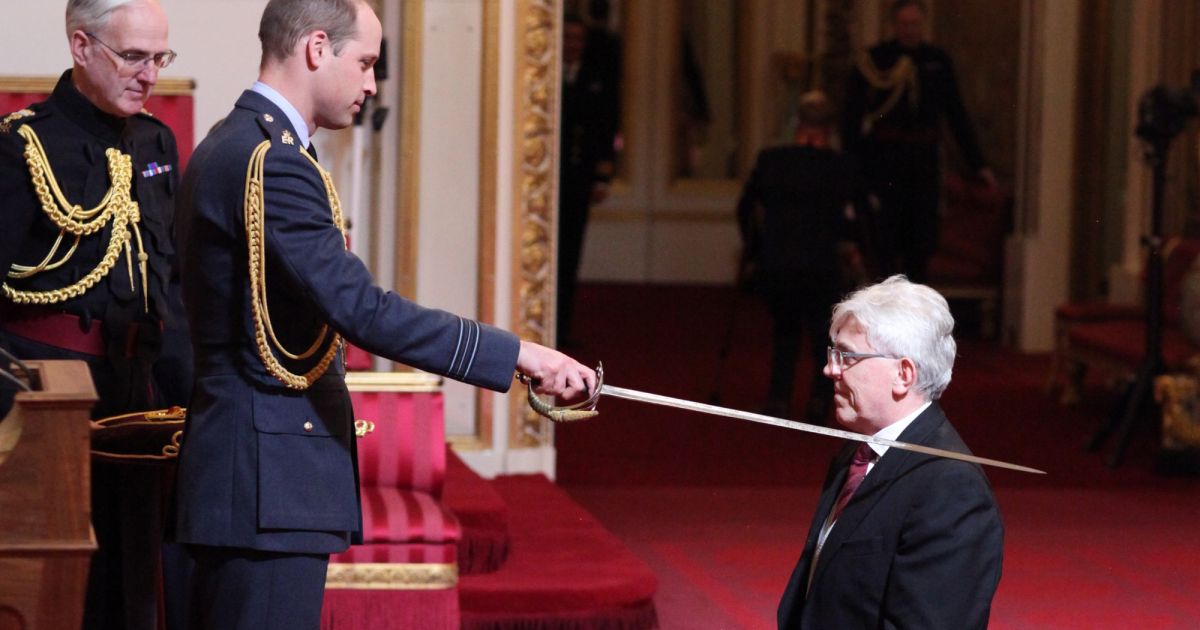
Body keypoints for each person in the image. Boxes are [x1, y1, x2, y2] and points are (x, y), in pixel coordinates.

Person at [171, 1, 596, 627]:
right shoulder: (273, 161)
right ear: (317, 49)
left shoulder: (240, 143)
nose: (372, 84)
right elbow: (362, 311)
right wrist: (521, 355)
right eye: (365, 63)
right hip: (264, 486)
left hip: (250, 477)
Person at [0, 2, 190, 628]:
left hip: (136, 388)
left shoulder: (158, 142)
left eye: (159, 57)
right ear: (81, 47)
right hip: (45, 395)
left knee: (134, 573)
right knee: (58, 576)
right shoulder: (24, 144)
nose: (149, 75)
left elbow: (172, 280)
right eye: (133, 56)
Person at [777, 275, 1003, 629]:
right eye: (833, 353)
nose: (829, 369)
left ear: (903, 374)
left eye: (847, 356)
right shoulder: (859, 449)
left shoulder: (952, 488)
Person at [841, 0, 997, 283]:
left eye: (914, 24)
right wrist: (852, 164)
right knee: (885, 237)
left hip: (923, 162)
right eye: (904, 24)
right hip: (885, 162)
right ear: (893, 25)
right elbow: (851, 117)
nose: (909, 30)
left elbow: (956, 114)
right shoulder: (877, 60)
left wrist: (978, 164)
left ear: (922, 25)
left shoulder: (937, 60)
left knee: (921, 237)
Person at [736, 91, 861, 421]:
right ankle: (820, 401)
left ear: (798, 124)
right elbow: (852, 216)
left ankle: (778, 398)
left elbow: (747, 208)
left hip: (778, 262)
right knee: (823, 333)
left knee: (784, 331)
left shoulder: (772, 161)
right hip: (823, 264)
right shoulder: (841, 166)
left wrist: (755, 249)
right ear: (829, 129)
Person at [558, 12, 619, 346]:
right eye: (567, 39)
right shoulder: (544, 77)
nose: (573, 46)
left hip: (579, 177)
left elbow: (605, 128)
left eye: (578, 40)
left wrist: (602, 176)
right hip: (544, 180)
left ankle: (562, 328)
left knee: (569, 255)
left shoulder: (597, 78)